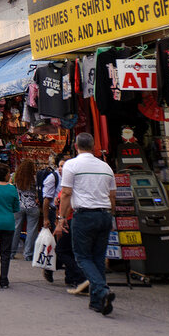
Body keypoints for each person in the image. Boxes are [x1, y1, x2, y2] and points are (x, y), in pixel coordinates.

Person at [57, 132, 117, 316]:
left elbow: (66, 193)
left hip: (84, 215)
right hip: (104, 214)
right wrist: (111, 217)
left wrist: (61, 219)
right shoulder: (105, 166)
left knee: (82, 257)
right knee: (98, 257)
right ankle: (97, 302)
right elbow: (112, 196)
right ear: (93, 146)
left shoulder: (71, 165)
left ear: (76, 146)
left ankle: (101, 289)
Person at [42, 157, 86, 290]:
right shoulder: (65, 183)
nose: (60, 169)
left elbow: (68, 200)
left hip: (70, 221)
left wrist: (61, 219)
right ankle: (71, 277)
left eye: (64, 166)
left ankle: (78, 277)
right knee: (67, 249)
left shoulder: (71, 185)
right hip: (65, 220)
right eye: (59, 166)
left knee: (62, 250)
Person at [11, 159, 40, 260]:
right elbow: (38, 192)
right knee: (31, 230)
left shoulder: (16, 177)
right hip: (32, 206)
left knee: (16, 229)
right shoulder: (35, 179)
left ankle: (11, 252)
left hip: (19, 205)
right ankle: (28, 254)